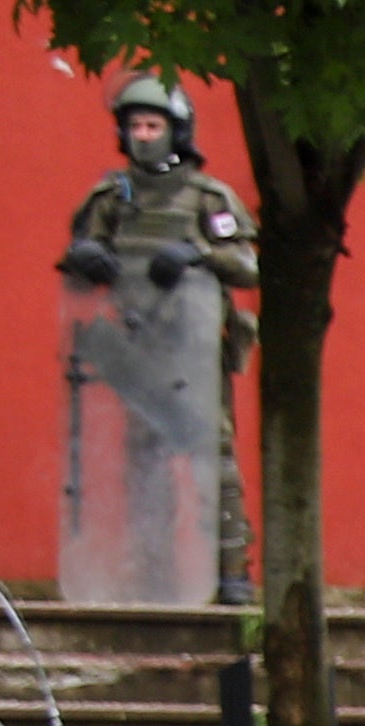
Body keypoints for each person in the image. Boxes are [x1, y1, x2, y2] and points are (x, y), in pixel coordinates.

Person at [58, 76, 253, 594]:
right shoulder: (111, 197)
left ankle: (232, 572)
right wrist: (86, 258)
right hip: (137, 347)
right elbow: (80, 261)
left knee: (214, 453)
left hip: (195, 347)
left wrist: (198, 255)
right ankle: (155, 572)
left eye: (154, 124)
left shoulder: (208, 197)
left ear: (176, 130)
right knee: (146, 460)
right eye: (135, 125)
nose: (143, 135)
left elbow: (248, 265)